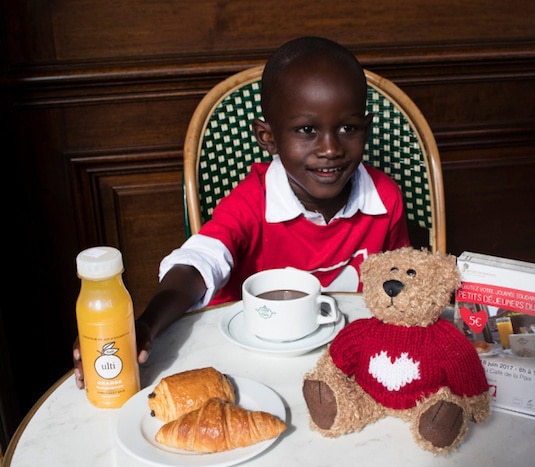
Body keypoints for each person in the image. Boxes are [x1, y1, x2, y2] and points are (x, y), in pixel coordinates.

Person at [73, 36, 411, 388]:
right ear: (268, 137)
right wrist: (144, 324)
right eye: (307, 130)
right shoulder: (253, 200)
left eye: (348, 128)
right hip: (251, 368)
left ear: (367, 129)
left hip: (343, 366)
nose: (330, 148)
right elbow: (198, 263)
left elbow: (400, 286)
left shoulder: (384, 198)